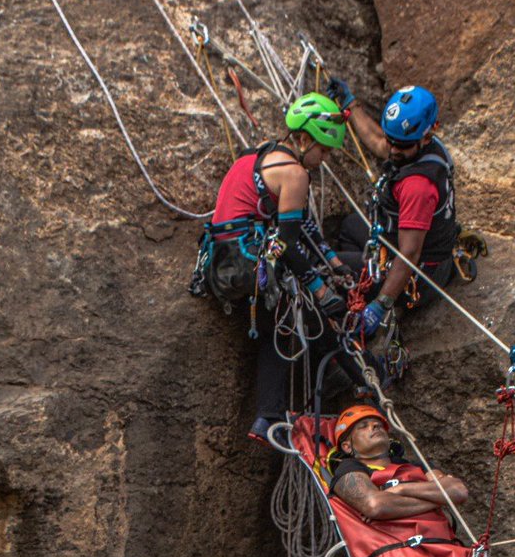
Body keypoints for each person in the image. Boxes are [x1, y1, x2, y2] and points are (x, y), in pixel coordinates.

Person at [198, 92, 359, 445]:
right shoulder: (295, 173)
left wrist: (331, 262)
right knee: (300, 314)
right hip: (249, 262)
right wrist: (320, 288)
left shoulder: (259, 155)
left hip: (222, 262)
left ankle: (268, 416)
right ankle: (354, 373)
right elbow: (286, 244)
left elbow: (300, 226)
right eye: (323, 150)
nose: (324, 159)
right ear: (303, 140)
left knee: (281, 326)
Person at [325, 82, 459, 339]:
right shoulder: (420, 145)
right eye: (392, 141)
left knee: (331, 267)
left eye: (402, 146)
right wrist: (352, 106)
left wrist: (381, 304)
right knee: (350, 225)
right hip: (397, 242)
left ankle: (376, 302)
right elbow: (378, 141)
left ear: (427, 136)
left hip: (420, 274)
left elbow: (409, 253)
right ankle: (366, 278)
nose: (393, 151)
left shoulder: (417, 186)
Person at [328, 404, 468, 522]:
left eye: (378, 424)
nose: (375, 426)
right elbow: (376, 506)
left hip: (445, 546)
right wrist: (439, 499)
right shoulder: (348, 469)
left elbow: (458, 491)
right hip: (398, 550)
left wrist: (401, 489)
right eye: (363, 426)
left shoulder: (416, 465)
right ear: (347, 446)